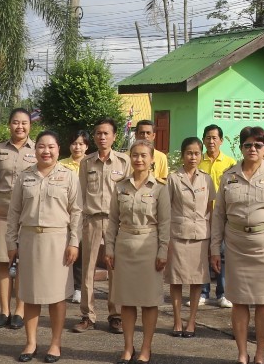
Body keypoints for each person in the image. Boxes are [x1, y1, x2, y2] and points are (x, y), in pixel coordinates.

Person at [211, 126, 264, 364]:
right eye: (247, 145)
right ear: (241, 148)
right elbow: (218, 216)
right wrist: (215, 248)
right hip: (236, 245)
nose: (252, 149)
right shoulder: (229, 176)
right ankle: (242, 353)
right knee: (239, 300)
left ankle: (260, 354)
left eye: (258, 145)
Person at [6, 130, 82, 364]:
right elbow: (14, 212)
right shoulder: (24, 176)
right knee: (30, 295)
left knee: (57, 297)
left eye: (51, 147)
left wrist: (74, 242)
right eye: (41, 146)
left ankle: (55, 343)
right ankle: (30, 342)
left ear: (59, 150)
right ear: (35, 149)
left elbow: (77, 211)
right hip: (29, 240)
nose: (46, 151)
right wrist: (11, 242)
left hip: (58, 241)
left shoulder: (69, 176)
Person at [104, 139, 170, 364]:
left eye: (143, 155)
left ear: (152, 159)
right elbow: (112, 221)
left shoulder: (160, 188)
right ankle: (128, 347)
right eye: (135, 155)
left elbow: (165, 224)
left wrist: (163, 251)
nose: (139, 159)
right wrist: (109, 248)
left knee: (149, 301)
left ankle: (146, 349)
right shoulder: (120, 186)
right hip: (124, 246)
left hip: (149, 247)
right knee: (127, 300)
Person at [73, 118, 131, 335]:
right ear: (94, 137)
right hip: (92, 220)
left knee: (114, 269)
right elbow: (80, 195)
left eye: (106, 133)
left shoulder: (124, 162)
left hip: (116, 223)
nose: (102, 137)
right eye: (98, 133)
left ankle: (115, 316)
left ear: (114, 136)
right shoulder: (86, 163)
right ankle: (87, 316)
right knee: (87, 269)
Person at [0, 108, 38, 330]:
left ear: (30, 126)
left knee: (23, 265)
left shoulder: (37, 150)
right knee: (3, 265)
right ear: (9, 125)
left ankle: (19, 311)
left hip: (27, 216)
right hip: (2, 215)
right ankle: (4, 311)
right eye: (16, 122)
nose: (20, 127)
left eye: (24, 123)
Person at [166, 136, 211, 338]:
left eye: (197, 153)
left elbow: (210, 208)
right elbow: (166, 209)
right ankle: (177, 321)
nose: (193, 157)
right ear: (183, 154)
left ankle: (191, 321)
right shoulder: (173, 178)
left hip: (200, 236)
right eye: (189, 153)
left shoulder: (206, 178)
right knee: (176, 280)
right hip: (177, 235)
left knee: (196, 280)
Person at [199, 123, 236, 307]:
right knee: (203, 253)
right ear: (203, 140)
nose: (211, 141)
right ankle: (203, 292)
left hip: (222, 215)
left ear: (221, 140)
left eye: (214, 138)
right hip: (202, 214)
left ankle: (223, 293)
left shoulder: (230, 163)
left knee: (222, 253)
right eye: (208, 137)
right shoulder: (198, 160)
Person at [62, 130, 91, 304]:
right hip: (65, 213)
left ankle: (78, 288)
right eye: (74, 143)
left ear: (87, 146)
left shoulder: (91, 163)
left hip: (85, 214)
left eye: (81, 143)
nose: (77, 147)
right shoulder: (62, 164)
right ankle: (64, 286)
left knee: (79, 252)